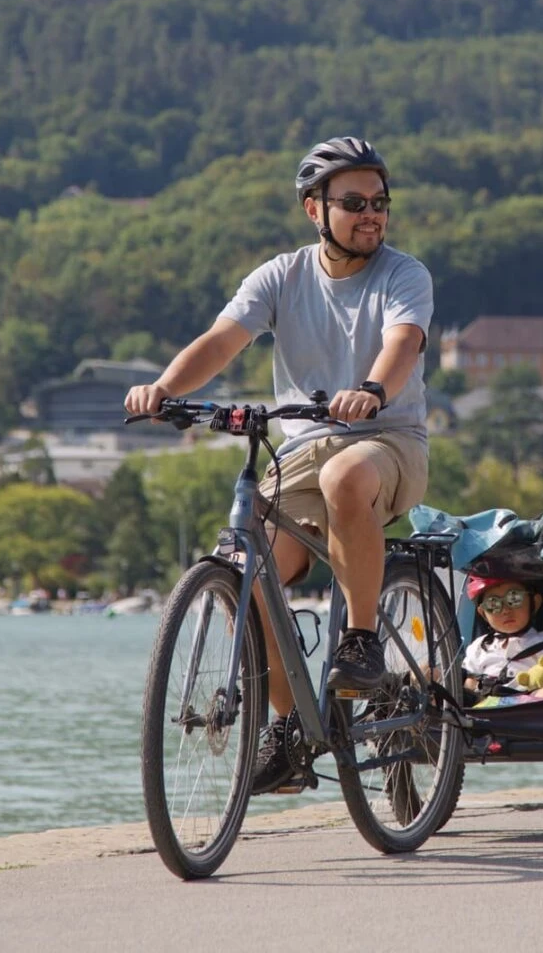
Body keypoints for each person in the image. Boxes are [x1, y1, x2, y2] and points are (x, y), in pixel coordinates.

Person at [123, 136, 433, 792]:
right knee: (244, 568)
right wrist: (165, 389)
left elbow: (402, 342)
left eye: (380, 202)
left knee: (344, 477)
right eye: (354, 203)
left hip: (387, 440)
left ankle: (359, 639)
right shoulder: (281, 276)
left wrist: (373, 391)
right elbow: (221, 340)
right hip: (301, 448)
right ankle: (290, 731)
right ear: (312, 209)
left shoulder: (404, 275)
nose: (371, 214)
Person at [462, 575, 543, 703]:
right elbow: (468, 680)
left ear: (535, 603)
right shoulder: (479, 646)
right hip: (485, 707)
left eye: (514, 598)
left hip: (524, 712)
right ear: (483, 613)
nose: (505, 610)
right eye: (493, 604)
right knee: (466, 683)